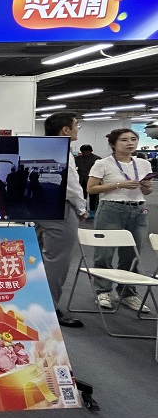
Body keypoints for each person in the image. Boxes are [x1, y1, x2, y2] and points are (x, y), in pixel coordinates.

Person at [86, 128, 153, 312]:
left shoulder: (143, 163)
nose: (130, 143)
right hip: (112, 208)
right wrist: (119, 184)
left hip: (138, 210)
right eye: (124, 140)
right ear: (113, 144)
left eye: (133, 139)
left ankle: (128, 293)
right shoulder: (103, 163)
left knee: (132, 254)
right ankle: (103, 291)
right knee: (105, 253)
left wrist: (146, 187)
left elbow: (147, 192)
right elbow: (91, 189)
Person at [34, 112, 87, 328]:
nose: (77, 129)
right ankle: (49, 308)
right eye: (76, 125)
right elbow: (71, 186)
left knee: (35, 257)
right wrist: (81, 207)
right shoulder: (63, 150)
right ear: (65, 129)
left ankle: (33, 302)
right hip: (59, 210)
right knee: (57, 262)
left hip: (37, 208)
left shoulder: (41, 148)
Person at [75, 144, 100, 216]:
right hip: (81, 180)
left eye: (87, 152)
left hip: (93, 180)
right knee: (82, 196)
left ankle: (93, 211)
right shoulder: (77, 159)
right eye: (83, 152)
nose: (85, 154)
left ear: (91, 151)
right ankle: (83, 211)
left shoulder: (97, 159)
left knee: (94, 197)